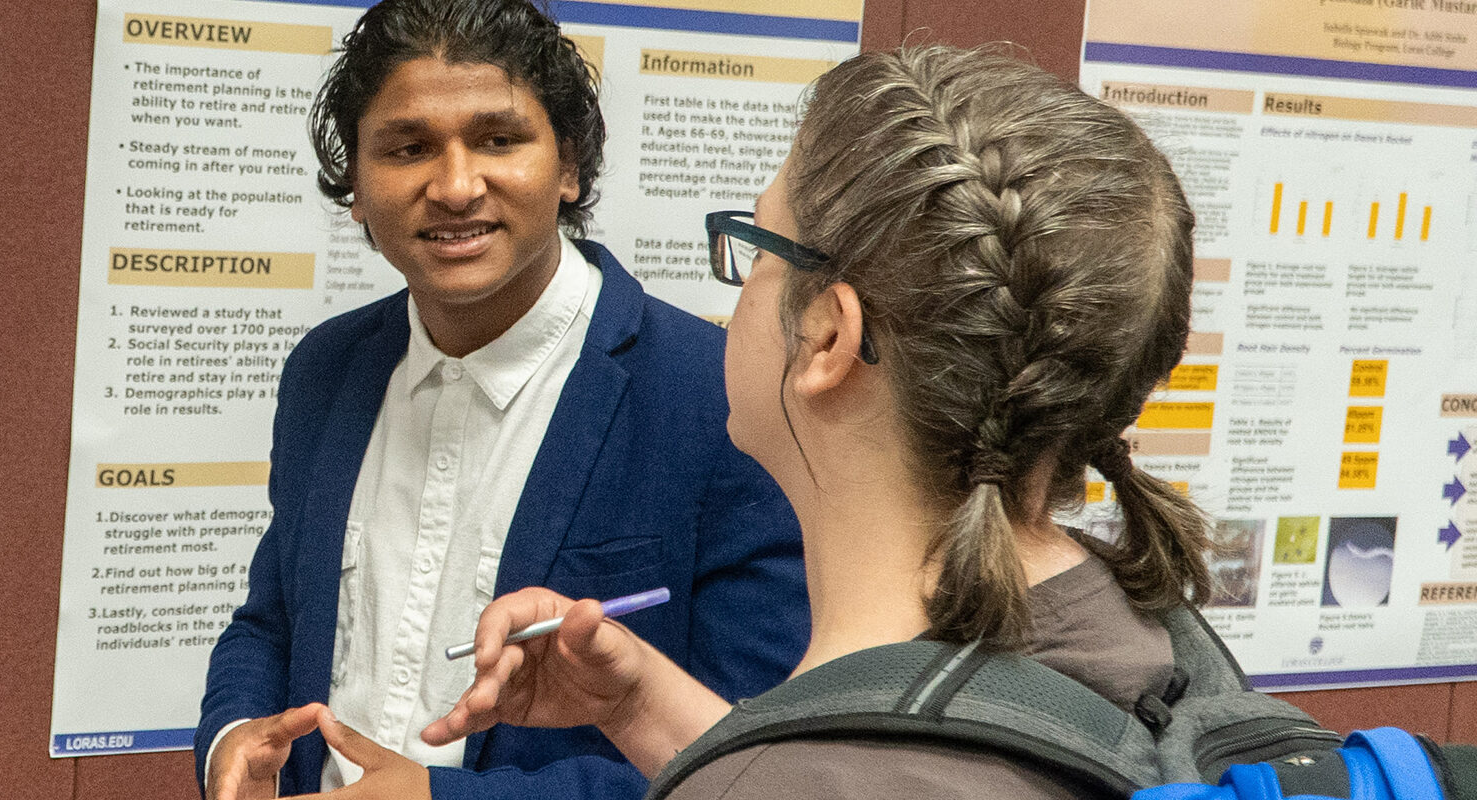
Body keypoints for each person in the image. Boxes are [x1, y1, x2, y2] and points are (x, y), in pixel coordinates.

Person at [418, 45, 1208, 799]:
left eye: (759, 250)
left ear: (828, 337)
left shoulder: (809, 775)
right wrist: (643, 708)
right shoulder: (1146, 644)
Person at [198, 2, 806, 798]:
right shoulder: (326, 370)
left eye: (498, 140)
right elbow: (272, 619)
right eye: (408, 148)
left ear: (569, 167)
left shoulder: (717, 392)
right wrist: (233, 738)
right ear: (357, 188)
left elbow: (757, 756)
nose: (455, 187)